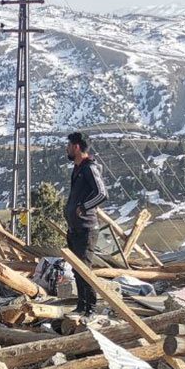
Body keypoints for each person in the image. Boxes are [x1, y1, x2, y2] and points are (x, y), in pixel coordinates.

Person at [64, 131, 108, 315]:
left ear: (76, 147)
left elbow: (102, 194)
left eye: (69, 145)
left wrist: (83, 207)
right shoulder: (78, 169)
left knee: (84, 269)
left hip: (86, 228)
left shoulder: (89, 168)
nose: (66, 149)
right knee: (77, 269)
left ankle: (91, 307)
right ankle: (81, 305)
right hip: (74, 228)